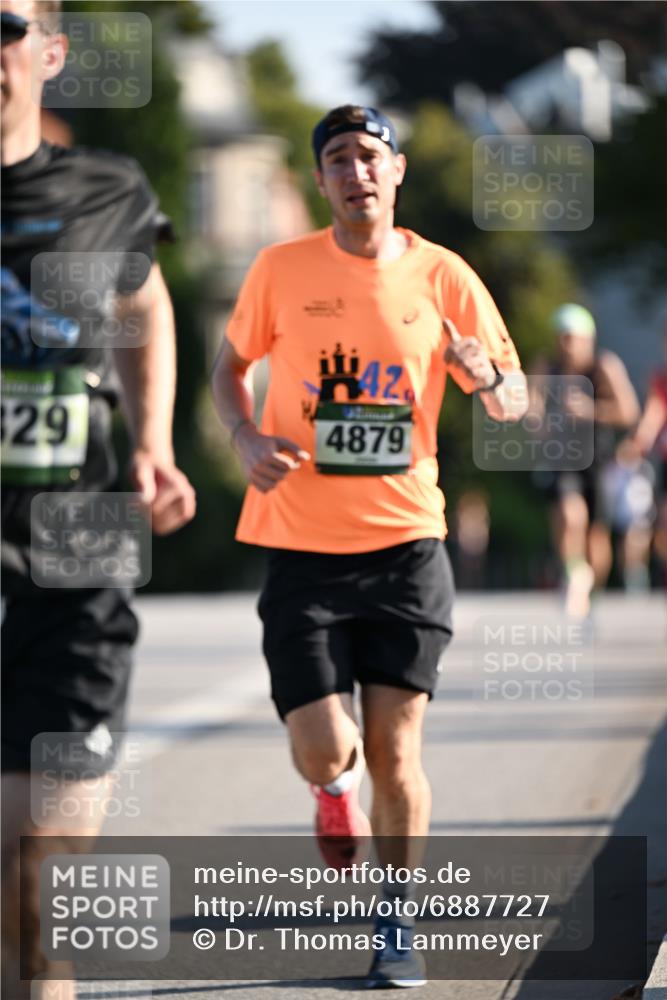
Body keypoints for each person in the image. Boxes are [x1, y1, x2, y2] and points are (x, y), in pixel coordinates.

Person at [212, 104, 526, 987]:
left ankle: (395, 919)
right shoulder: (280, 269)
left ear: (395, 173)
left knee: (396, 752)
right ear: (321, 181)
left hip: (405, 544)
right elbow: (228, 367)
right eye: (338, 158)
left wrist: (485, 374)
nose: (355, 171)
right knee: (327, 746)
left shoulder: (444, 275)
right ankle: (328, 793)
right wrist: (241, 438)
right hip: (300, 545)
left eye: (370, 155)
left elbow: (513, 401)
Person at [1, 2, 196, 996]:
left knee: (41, 874)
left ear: (49, 52)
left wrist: (154, 441)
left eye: (1, 23)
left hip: (76, 550)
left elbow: (145, 299)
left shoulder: (107, 189)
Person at [530, 304, 639, 618]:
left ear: (587, 338)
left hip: (599, 458)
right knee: (568, 514)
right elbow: (532, 408)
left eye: (572, 338)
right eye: (561, 337)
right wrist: (539, 424)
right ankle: (573, 573)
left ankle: (592, 589)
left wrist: (591, 410)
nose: (566, 345)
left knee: (596, 533)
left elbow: (629, 412)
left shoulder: (604, 366)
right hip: (563, 457)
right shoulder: (547, 367)